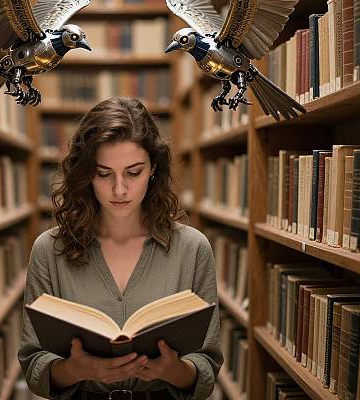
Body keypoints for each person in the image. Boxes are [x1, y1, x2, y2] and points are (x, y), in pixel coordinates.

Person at [19, 97, 222, 400]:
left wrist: (172, 370)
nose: (119, 189)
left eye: (133, 172)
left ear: (153, 168)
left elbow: (207, 367)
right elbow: (34, 366)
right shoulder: (49, 250)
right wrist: (77, 370)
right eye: (104, 174)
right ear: (87, 173)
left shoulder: (192, 249)